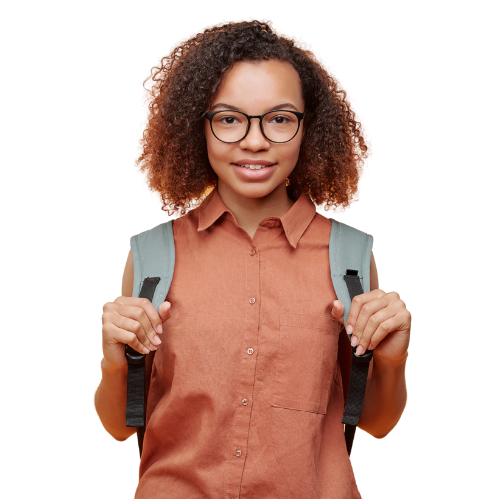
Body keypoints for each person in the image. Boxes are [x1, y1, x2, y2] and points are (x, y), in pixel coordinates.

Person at [95, 20, 411, 499]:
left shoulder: (348, 257)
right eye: (229, 119)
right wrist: (115, 361)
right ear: (197, 125)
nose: (255, 141)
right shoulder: (154, 256)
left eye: (280, 119)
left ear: (310, 127)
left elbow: (377, 422)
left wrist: (393, 359)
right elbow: (120, 425)